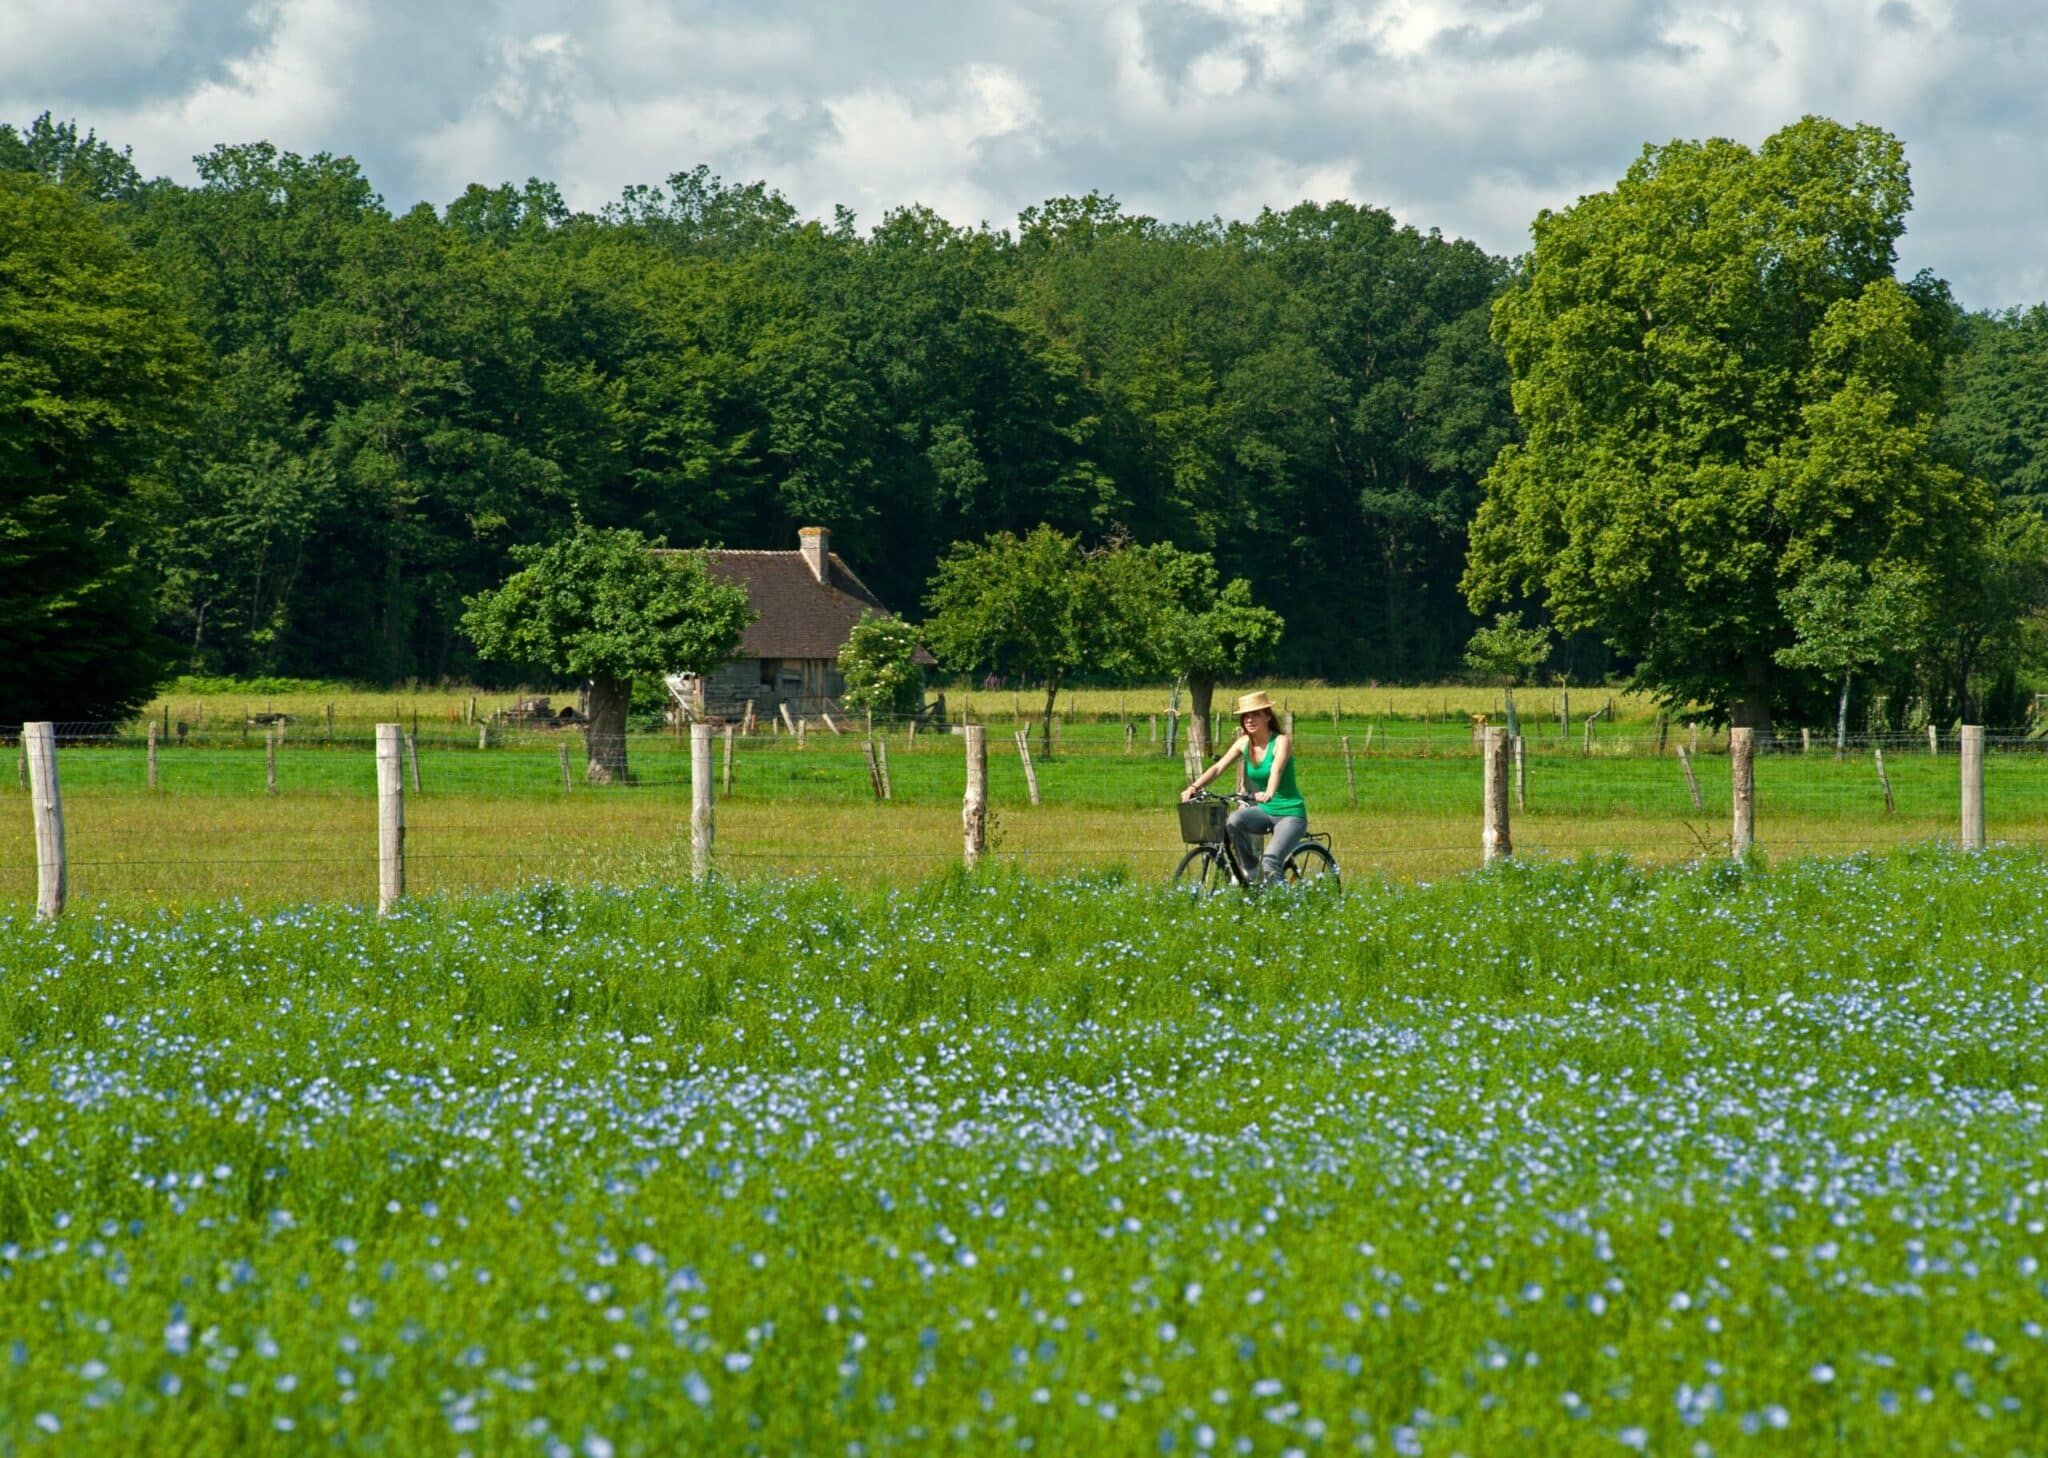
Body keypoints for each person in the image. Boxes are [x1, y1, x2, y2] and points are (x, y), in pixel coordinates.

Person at [1179, 690, 1307, 885]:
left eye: (1255, 714)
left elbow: (1277, 769)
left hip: (1290, 814)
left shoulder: (1281, 741)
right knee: (1233, 820)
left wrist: (1269, 792)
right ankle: (1251, 870)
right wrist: (1194, 786)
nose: (1249, 719)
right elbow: (1218, 767)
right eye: (1245, 716)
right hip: (1265, 811)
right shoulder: (1244, 743)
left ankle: (1283, 905)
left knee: (1271, 861)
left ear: (1267, 716)